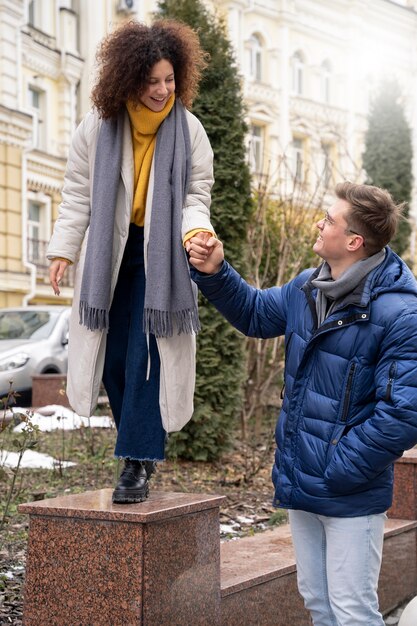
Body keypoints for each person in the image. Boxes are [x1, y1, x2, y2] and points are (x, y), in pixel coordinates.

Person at [187, 181, 417, 626]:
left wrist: (339, 466)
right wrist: (216, 271)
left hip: (349, 491)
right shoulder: (307, 288)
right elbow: (255, 313)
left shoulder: (401, 313)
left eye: (329, 219)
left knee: (353, 612)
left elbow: (404, 413)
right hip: (302, 482)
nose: (319, 222)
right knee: (318, 604)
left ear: (354, 241)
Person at [47, 20, 215, 504]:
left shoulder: (191, 131)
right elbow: (78, 193)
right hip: (108, 254)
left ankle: (136, 462)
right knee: (115, 358)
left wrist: (197, 231)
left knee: (147, 355)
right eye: (152, 81)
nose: (163, 91)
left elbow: (195, 195)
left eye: (169, 79)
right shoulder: (97, 126)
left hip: (158, 256)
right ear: (128, 79)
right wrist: (62, 248)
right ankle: (136, 447)